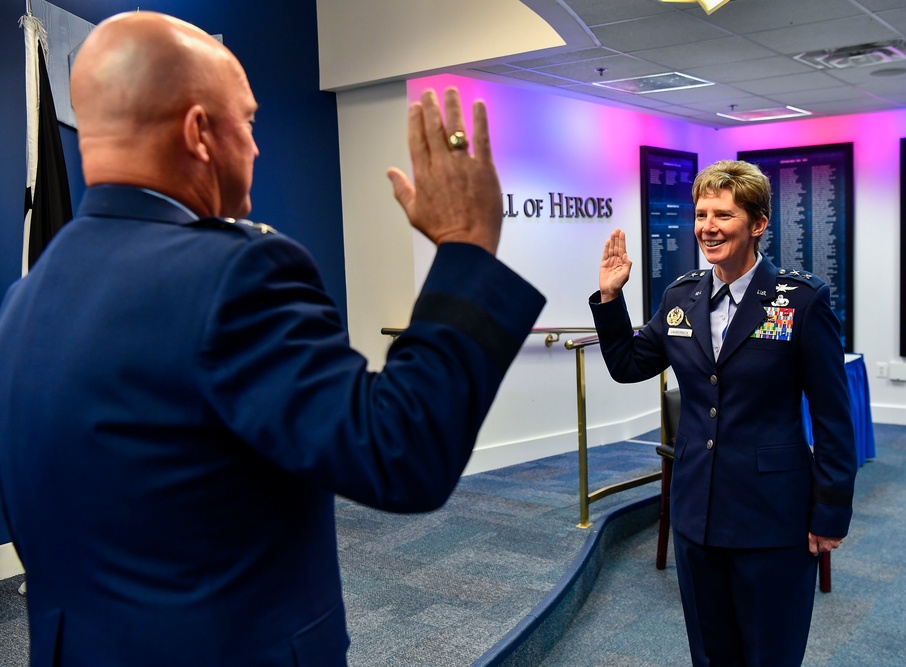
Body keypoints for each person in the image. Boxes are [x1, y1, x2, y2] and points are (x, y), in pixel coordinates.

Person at [0, 11, 544, 667]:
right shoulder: (236, 273)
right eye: (248, 122)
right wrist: (467, 246)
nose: (256, 147)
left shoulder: (23, 300)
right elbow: (400, 453)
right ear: (200, 132)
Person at [589, 160, 856, 666]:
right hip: (698, 513)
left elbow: (833, 416)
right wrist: (610, 297)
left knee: (768, 654)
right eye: (700, 213)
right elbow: (627, 366)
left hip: (771, 517)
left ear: (757, 224)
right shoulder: (680, 296)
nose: (707, 226)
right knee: (711, 655)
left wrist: (831, 513)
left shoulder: (802, 300)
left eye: (723, 214)